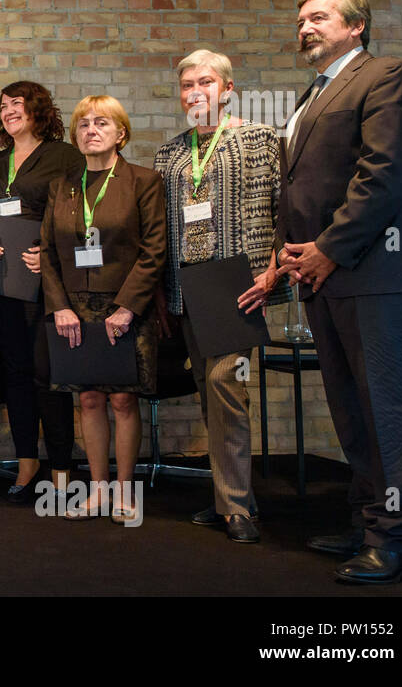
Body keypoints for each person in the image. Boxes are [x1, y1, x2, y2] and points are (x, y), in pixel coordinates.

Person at [275, 0, 402, 583]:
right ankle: (370, 521)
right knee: (351, 408)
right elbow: (303, 188)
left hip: (377, 273)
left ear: (356, 26)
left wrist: (329, 249)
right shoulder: (312, 93)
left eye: (318, 17)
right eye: (300, 20)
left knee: (387, 408)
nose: (305, 27)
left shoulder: (388, 75)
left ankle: (399, 542)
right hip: (326, 276)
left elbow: (384, 175)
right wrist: (290, 256)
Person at [154, 50, 285, 544]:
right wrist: (165, 295)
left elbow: (283, 208)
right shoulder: (169, 154)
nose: (194, 91)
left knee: (225, 383)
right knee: (212, 395)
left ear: (227, 88)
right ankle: (230, 498)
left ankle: (237, 509)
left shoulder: (258, 139)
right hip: (187, 290)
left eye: (205, 82)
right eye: (186, 84)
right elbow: (162, 230)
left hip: (238, 285)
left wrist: (273, 270)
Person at [40, 96, 166, 523]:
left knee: (122, 401)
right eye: (83, 125)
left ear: (121, 134)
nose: (90, 130)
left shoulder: (144, 181)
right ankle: (96, 491)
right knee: (89, 400)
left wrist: (128, 306)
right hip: (73, 311)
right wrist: (59, 307)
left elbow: (154, 251)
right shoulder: (62, 186)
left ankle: (127, 492)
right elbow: (48, 256)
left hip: (125, 307)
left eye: (102, 123)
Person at [0, 81, 82, 504]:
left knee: (47, 374)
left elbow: (81, 214)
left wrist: (52, 254)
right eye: (3, 106)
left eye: (17, 103)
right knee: (14, 373)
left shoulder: (63, 156)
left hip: (45, 282)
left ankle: (60, 468)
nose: (9, 111)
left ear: (37, 108)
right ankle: (25, 463)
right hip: (1, 281)